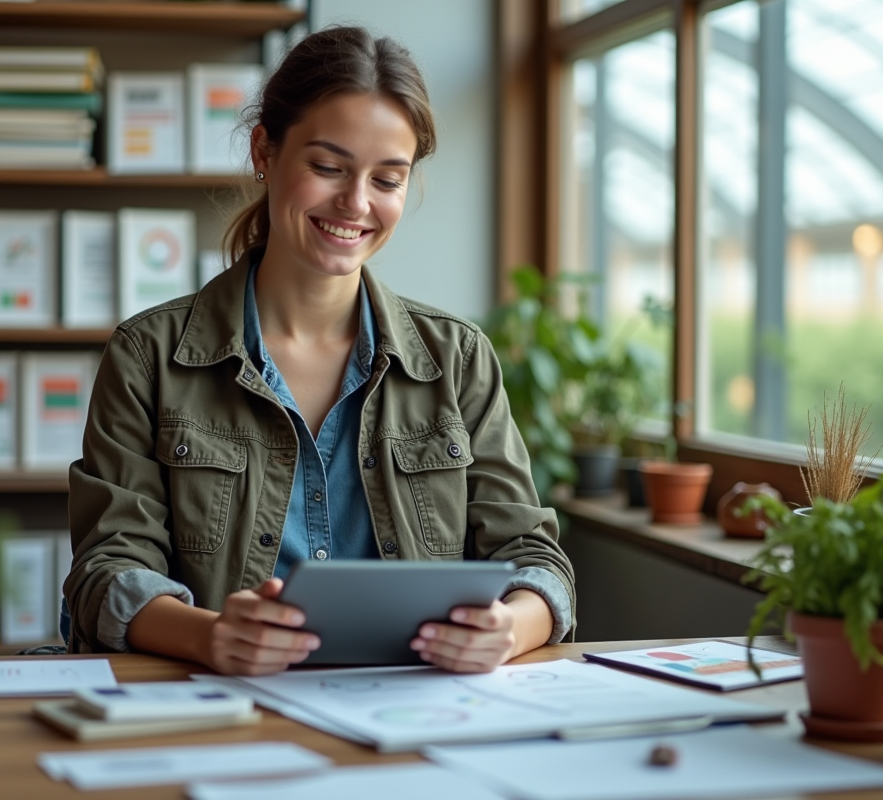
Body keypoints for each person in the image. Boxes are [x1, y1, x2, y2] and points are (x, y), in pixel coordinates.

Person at [65, 26, 575, 675]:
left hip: (415, 707)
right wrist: (210, 636)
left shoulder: (458, 358)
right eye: (328, 168)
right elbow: (108, 569)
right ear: (265, 151)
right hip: (226, 706)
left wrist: (509, 628)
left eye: (387, 179)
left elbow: (535, 558)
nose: (356, 203)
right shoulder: (148, 356)